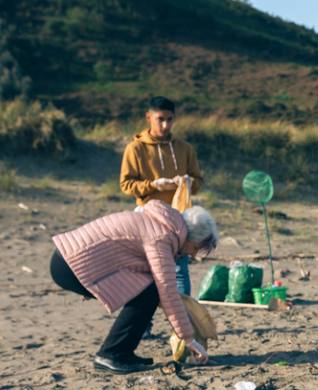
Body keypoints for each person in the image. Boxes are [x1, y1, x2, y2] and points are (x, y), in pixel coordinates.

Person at [50, 201, 218, 374]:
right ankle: (111, 355)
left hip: (71, 260)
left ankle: (123, 353)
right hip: (71, 265)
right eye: (195, 248)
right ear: (190, 237)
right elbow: (167, 290)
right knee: (151, 292)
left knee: (148, 289)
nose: (192, 254)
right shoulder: (162, 237)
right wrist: (189, 339)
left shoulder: (163, 224)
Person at [120, 95, 204, 297]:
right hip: (148, 217)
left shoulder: (185, 149)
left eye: (170, 119)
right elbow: (126, 185)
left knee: (180, 271)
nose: (165, 125)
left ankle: (184, 316)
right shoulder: (135, 148)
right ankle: (144, 317)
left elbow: (198, 182)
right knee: (146, 271)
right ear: (149, 117)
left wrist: (189, 183)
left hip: (179, 218)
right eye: (160, 119)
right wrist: (154, 185)